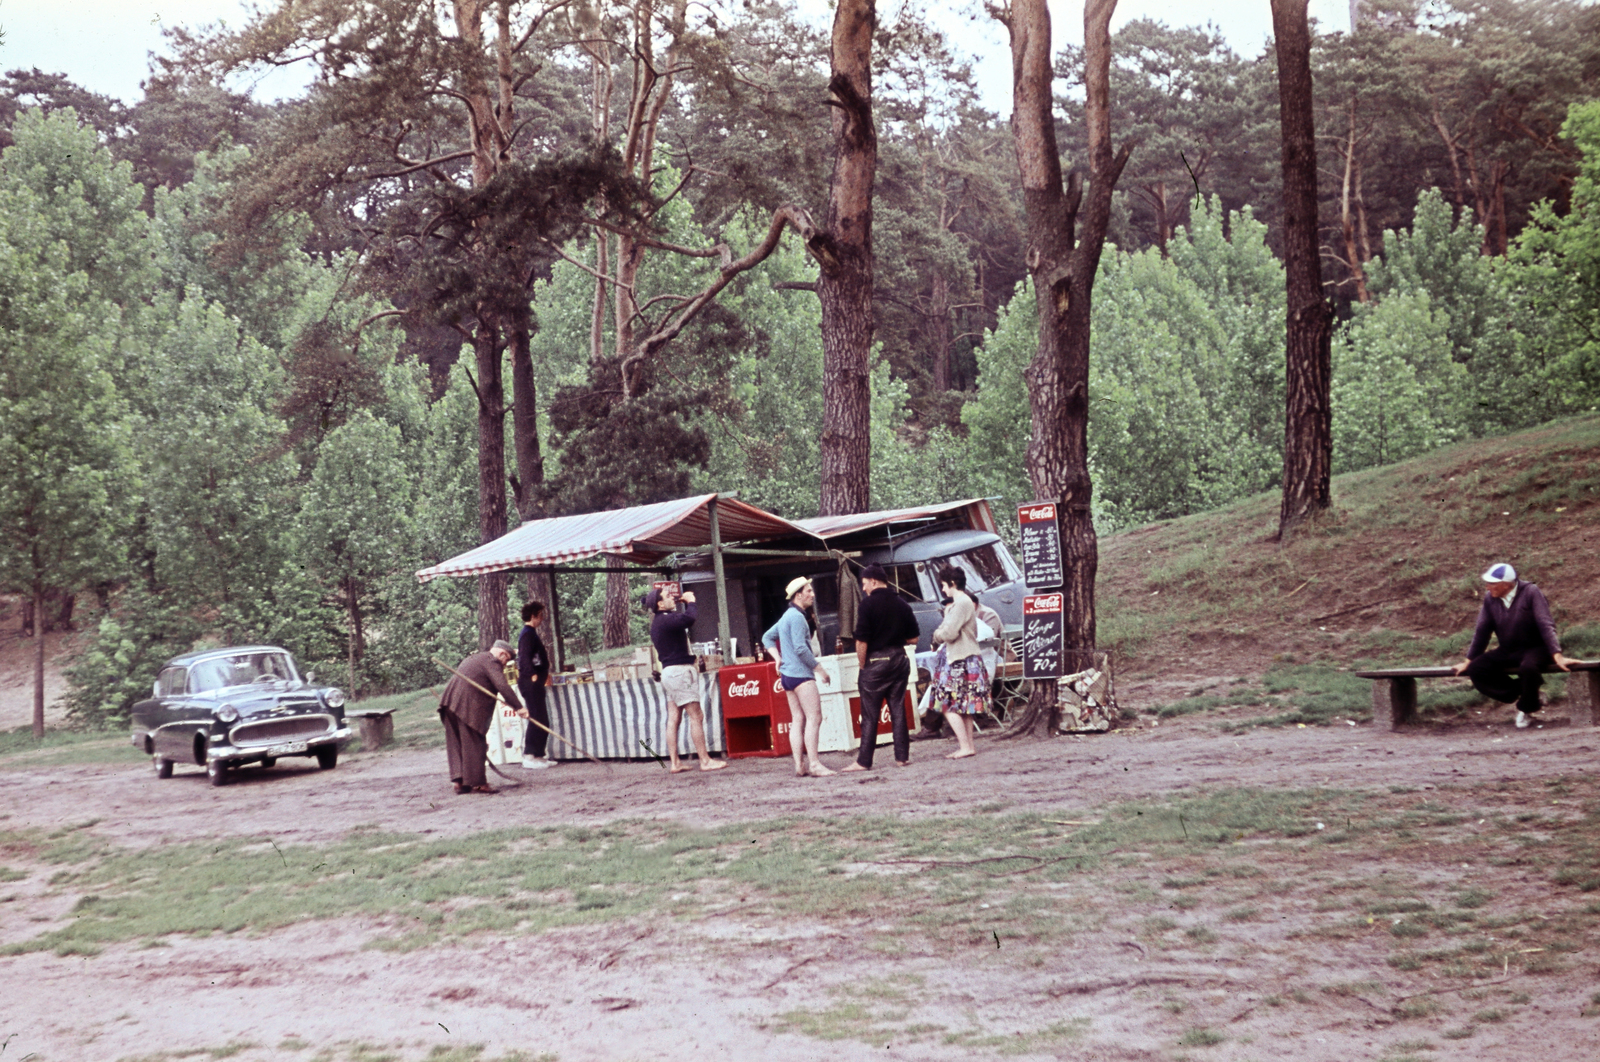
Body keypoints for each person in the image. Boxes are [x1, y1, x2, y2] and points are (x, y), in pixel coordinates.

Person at [1453, 562, 1574, 728]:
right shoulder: (1490, 599)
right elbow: (1482, 630)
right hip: (1509, 649)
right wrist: (1468, 660)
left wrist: (1557, 655)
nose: (1487, 587)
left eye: (1492, 583)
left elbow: (1545, 624)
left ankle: (1527, 708)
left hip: (1537, 648)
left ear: (1507, 584)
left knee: (1528, 668)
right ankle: (1529, 693)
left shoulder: (1531, 592)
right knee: (1476, 668)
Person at [841, 563, 919, 772]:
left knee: (869, 714)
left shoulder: (867, 605)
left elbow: (861, 641)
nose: (864, 588)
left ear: (873, 581)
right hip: (899, 660)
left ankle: (863, 761)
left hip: (875, 662)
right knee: (898, 709)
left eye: (865, 583)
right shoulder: (902, 603)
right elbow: (914, 638)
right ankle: (902, 757)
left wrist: (862, 665)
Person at [646, 584, 727, 773]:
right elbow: (689, 619)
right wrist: (691, 602)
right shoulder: (666, 619)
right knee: (696, 715)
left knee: (674, 717)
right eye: (668, 596)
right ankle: (705, 761)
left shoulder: (659, 622)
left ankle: (675, 763)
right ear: (660, 604)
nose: (672, 598)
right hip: (679, 672)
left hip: (669, 673)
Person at [762, 577, 836, 777]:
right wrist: (820, 669)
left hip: (787, 677)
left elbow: (766, 637)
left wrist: (778, 659)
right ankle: (814, 764)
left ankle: (799, 765)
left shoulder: (787, 616)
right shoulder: (797, 617)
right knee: (814, 717)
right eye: (809, 591)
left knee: (797, 719)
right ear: (798, 595)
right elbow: (801, 648)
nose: (812, 594)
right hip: (801, 675)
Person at [439, 640, 521, 794]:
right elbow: (502, 685)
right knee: (475, 742)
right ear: (502, 654)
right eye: (507, 660)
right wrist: (519, 707)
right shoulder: (491, 661)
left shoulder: (475, 658)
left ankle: (459, 781)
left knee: (455, 742)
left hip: (448, 703)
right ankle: (478, 783)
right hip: (466, 706)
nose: (505, 664)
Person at [931, 567, 988, 758]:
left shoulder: (960, 603)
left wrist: (936, 635)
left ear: (952, 584)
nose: (943, 590)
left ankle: (965, 746)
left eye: (944, 585)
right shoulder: (964, 603)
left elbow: (948, 633)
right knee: (964, 706)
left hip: (959, 659)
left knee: (946, 704)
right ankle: (968, 746)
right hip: (968, 657)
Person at [516, 601, 554, 769]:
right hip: (530, 681)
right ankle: (529, 755)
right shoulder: (527, 634)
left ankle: (539, 754)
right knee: (536, 718)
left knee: (543, 718)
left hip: (537, 680)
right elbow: (523, 658)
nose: (542, 619)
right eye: (540, 615)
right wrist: (531, 675)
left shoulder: (532, 633)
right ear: (533, 616)